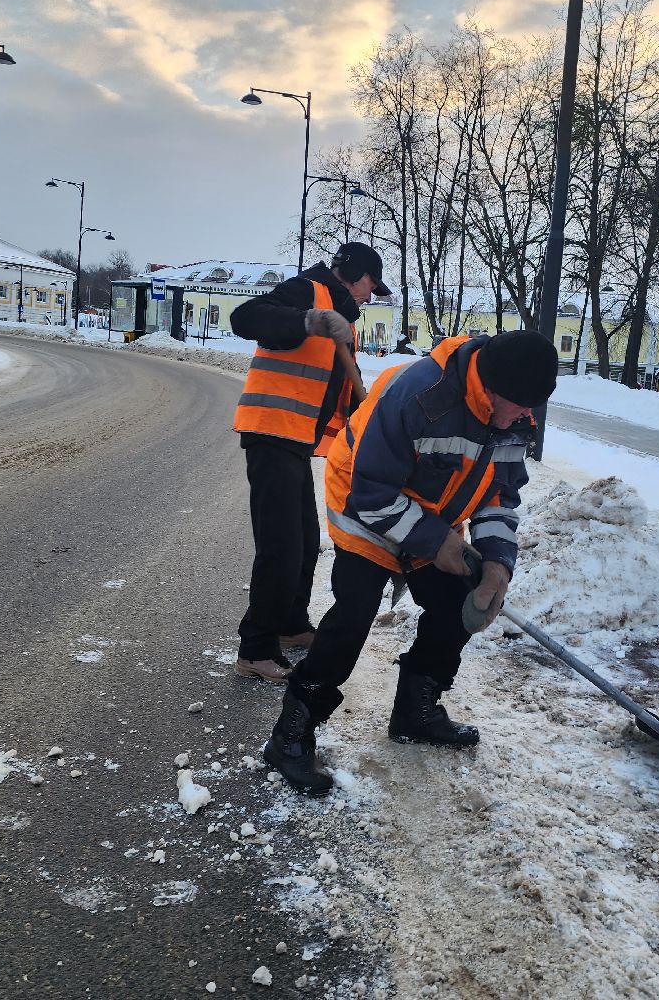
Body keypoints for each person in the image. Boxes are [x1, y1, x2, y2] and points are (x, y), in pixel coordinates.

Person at [263, 329, 559, 794]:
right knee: (353, 615)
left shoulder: (515, 416)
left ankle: (414, 713)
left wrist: (497, 564)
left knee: (456, 604)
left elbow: (498, 496)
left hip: (433, 511)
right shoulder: (420, 396)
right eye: (521, 405)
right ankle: (291, 735)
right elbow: (373, 496)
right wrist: (439, 545)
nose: (528, 416)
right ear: (493, 389)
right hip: (366, 504)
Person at [229, 242, 390, 683]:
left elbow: (340, 388)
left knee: (303, 539)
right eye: (369, 286)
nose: (368, 297)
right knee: (280, 546)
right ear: (352, 274)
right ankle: (255, 649)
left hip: (296, 440)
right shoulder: (307, 293)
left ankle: (291, 626)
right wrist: (309, 321)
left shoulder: (341, 319)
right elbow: (244, 318)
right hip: (271, 430)